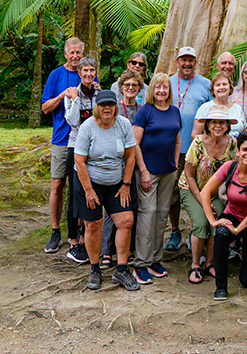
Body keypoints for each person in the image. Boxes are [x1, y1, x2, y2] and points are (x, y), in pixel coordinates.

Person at [73, 90, 139, 291]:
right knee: (93, 224)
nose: (107, 108)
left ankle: (121, 268)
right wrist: (89, 190)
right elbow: (79, 161)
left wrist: (126, 185)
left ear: (116, 105)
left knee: (125, 221)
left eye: (110, 104)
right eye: (103, 105)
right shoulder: (88, 127)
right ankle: (95, 268)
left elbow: (130, 156)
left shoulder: (123, 124)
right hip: (89, 181)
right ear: (97, 107)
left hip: (117, 183)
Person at [200, 131, 247, 301]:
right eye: (244, 149)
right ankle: (221, 286)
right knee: (222, 234)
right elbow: (205, 192)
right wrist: (213, 221)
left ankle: (244, 260)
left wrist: (238, 230)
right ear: (238, 151)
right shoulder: (229, 167)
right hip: (232, 213)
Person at [132, 73, 182, 284]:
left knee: (162, 215)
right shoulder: (145, 111)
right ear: (152, 89)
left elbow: (178, 141)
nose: (162, 90)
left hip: (168, 172)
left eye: (165, 87)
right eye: (158, 87)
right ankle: (140, 263)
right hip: (148, 172)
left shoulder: (174, 111)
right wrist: (143, 171)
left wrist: (175, 166)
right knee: (148, 214)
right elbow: (134, 143)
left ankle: (155, 259)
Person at [179, 105, 238, 283]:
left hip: (217, 193)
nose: (218, 126)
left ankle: (210, 263)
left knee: (218, 222)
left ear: (227, 125)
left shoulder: (232, 144)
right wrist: (201, 200)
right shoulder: (198, 143)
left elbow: (234, 173)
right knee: (201, 223)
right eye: (214, 122)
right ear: (208, 124)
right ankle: (195, 264)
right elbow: (189, 174)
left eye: (222, 122)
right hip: (192, 189)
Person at [41, 37, 87, 254]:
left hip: (84, 140)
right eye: (72, 53)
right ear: (66, 54)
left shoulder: (88, 73)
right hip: (61, 138)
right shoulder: (56, 75)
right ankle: (55, 230)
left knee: (80, 187)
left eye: (79, 52)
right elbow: (45, 107)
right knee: (57, 184)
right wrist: (62, 94)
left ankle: (78, 230)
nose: (76, 56)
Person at [166, 47, 212, 251]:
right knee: (173, 191)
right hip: (171, 148)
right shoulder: (167, 82)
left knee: (200, 189)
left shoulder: (205, 84)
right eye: (183, 60)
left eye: (190, 60)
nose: (187, 63)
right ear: (177, 62)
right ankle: (175, 230)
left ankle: (198, 230)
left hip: (198, 149)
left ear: (195, 62)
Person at [101, 69, 145, 269]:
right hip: (116, 165)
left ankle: (128, 249)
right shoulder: (115, 108)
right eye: (127, 85)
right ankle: (106, 251)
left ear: (139, 88)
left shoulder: (142, 109)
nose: (130, 88)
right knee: (113, 209)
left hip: (136, 163)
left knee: (132, 207)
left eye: (134, 86)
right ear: (121, 88)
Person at [62, 55, 99, 264]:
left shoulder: (100, 94)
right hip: (75, 148)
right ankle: (73, 240)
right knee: (75, 195)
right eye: (85, 70)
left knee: (90, 193)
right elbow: (73, 121)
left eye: (91, 70)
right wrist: (76, 99)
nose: (88, 74)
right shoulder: (71, 94)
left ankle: (87, 238)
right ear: (79, 73)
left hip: (95, 150)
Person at [192, 72, 246, 138]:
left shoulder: (238, 109)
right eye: (218, 85)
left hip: (234, 146)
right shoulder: (204, 108)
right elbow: (195, 135)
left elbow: (245, 134)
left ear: (230, 87)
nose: (221, 87)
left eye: (224, 84)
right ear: (213, 89)